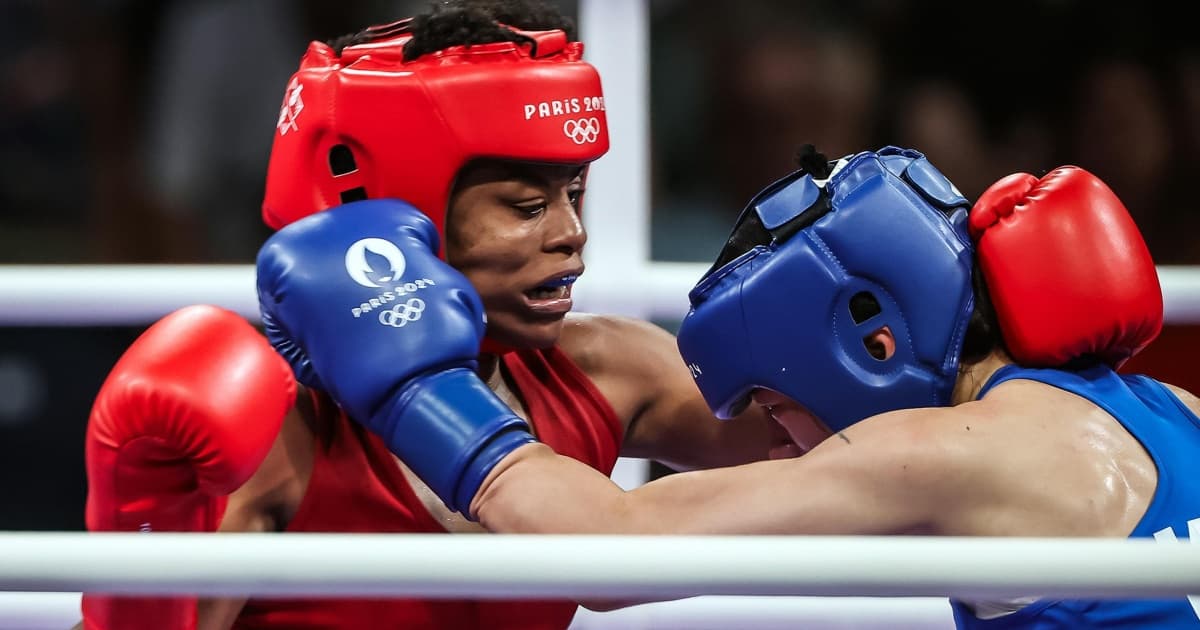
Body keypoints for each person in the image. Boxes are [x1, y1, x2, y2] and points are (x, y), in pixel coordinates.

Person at [262, 144, 1200, 628]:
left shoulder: (939, 452)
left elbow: (617, 549)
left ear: (864, 341)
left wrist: (414, 387)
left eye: (770, 401)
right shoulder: (1168, 409)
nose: (775, 434)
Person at [80, 2, 773, 630]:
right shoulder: (277, 435)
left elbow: (838, 457)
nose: (571, 233)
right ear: (383, 217)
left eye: (574, 192)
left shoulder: (603, 369)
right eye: (526, 207)